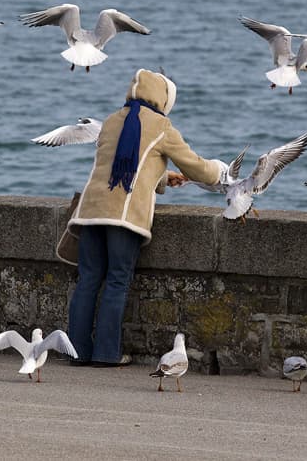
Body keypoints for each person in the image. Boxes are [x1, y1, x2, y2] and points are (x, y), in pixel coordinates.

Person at [65, 68, 227, 366]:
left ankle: (77, 352)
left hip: (89, 212)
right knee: (116, 281)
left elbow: (119, 164)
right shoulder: (162, 126)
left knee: (88, 280)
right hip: (123, 217)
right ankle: (106, 355)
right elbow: (199, 169)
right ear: (163, 98)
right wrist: (222, 171)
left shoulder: (113, 121)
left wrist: (163, 179)